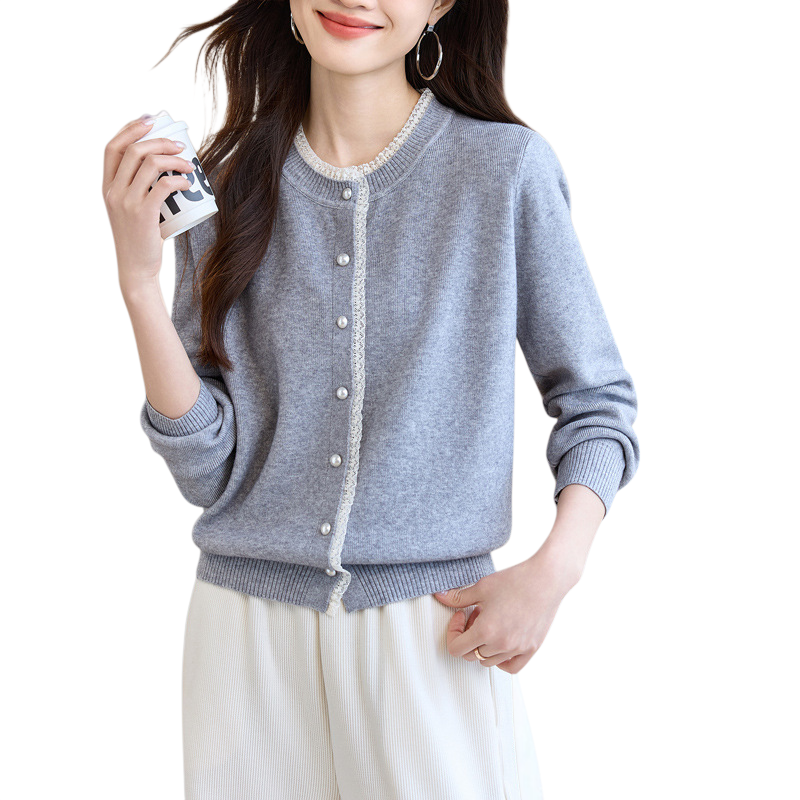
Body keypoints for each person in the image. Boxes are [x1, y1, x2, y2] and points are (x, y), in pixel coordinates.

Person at [100, 1, 641, 797]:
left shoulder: (505, 170)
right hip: (242, 643)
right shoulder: (222, 176)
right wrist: (139, 284)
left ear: (442, 4)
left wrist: (555, 572)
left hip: (436, 630)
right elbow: (206, 472)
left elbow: (596, 401)